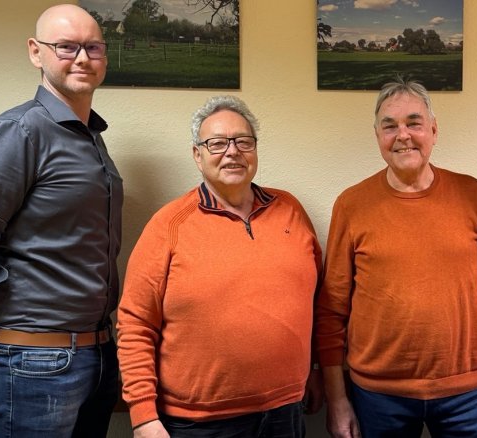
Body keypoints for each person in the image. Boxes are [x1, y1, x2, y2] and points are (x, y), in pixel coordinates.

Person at [0, 4, 122, 437]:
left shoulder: (89, 138)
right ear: (36, 52)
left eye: (93, 47)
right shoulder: (21, 131)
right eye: (66, 47)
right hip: (32, 366)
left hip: (96, 358)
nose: (82, 58)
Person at [315, 79, 477, 438]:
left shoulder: (471, 194)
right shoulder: (351, 205)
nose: (403, 135)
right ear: (377, 136)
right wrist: (337, 399)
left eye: (413, 123)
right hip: (377, 395)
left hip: (466, 394)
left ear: (433, 129)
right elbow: (332, 310)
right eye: (390, 126)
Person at [117, 95, 323, 438]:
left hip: (286, 411)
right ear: (197, 155)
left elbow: (317, 302)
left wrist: (316, 368)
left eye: (243, 141)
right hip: (199, 423)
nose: (232, 152)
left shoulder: (291, 210)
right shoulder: (169, 225)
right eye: (217, 143)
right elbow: (135, 323)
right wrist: (142, 416)